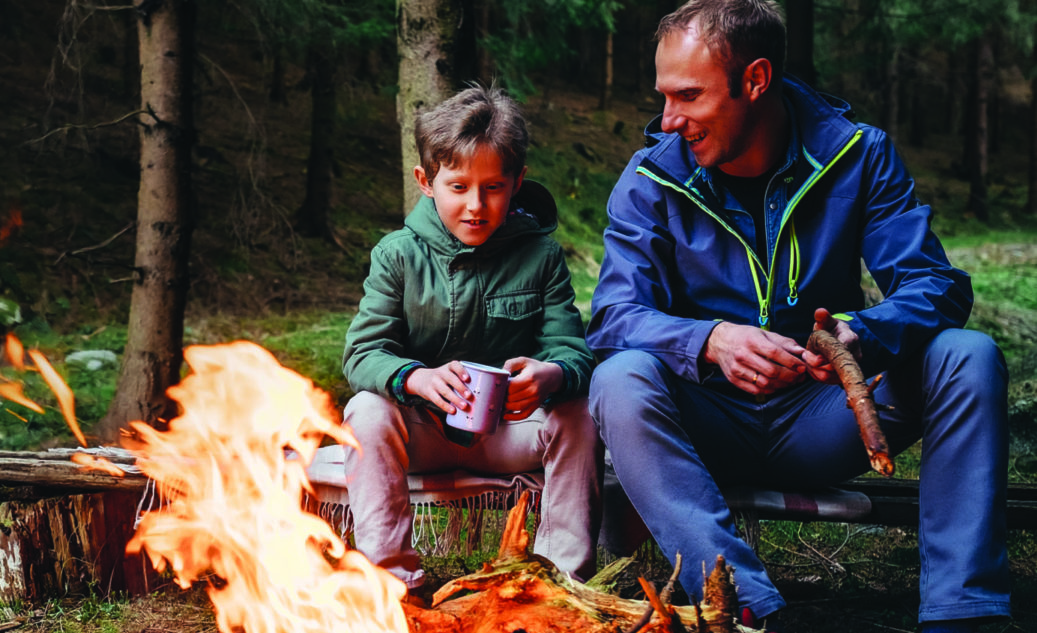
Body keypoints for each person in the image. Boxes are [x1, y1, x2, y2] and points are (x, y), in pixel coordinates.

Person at [586, 2, 1010, 632]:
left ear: (756, 80)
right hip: (706, 422)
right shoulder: (651, 178)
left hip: (828, 416)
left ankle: (961, 612)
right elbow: (613, 316)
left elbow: (935, 286)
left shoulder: (859, 156)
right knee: (618, 381)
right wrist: (710, 341)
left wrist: (860, 334)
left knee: (969, 356)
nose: (669, 120)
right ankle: (754, 610)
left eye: (689, 96)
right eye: (664, 96)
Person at [338, 85, 603, 602]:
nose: (476, 206)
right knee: (366, 410)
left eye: (494, 188)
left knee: (579, 413)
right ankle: (393, 587)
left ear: (518, 183)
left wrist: (552, 375)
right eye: (458, 186)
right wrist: (416, 378)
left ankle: (560, 585)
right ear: (426, 182)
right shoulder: (397, 256)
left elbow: (573, 351)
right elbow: (363, 354)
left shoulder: (541, 256)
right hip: (426, 433)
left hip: (511, 433)